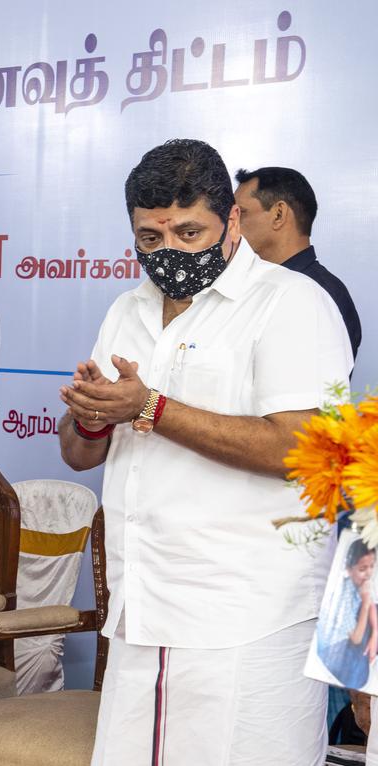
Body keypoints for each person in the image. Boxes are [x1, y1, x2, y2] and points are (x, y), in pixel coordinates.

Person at [58, 139, 352, 764]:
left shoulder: (292, 303)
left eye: (190, 232)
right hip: (141, 612)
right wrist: (90, 415)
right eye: (151, 238)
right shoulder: (126, 308)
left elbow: (304, 446)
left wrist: (150, 408)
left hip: (246, 620)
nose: (170, 252)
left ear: (233, 221)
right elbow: (80, 456)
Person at [234, 167, 361, 359]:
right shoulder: (250, 284)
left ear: (279, 214)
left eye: (241, 213)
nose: (231, 224)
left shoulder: (320, 295)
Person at [316, 540, 378, 690]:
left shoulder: (360, 582)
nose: (369, 573)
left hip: (350, 642)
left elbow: (372, 604)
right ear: (349, 569)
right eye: (363, 568)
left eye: (372, 566)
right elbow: (356, 638)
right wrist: (365, 602)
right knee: (370, 606)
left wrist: (375, 632)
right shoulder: (343, 593)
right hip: (335, 655)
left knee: (374, 606)